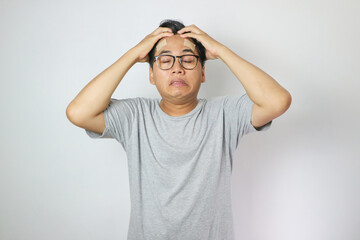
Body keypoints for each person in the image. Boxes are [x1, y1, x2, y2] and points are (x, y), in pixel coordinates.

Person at [66, 19, 291, 240]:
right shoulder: (136, 116)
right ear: (151, 75)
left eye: (188, 59)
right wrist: (133, 54)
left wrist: (221, 51)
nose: (177, 68)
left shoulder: (224, 114)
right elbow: (79, 112)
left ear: (203, 73)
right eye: (165, 60)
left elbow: (277, 101)